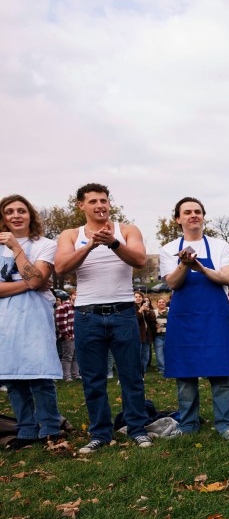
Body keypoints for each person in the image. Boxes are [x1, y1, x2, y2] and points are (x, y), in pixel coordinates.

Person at [53, 183, 153, 453]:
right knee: (93, 378)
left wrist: (113, 242)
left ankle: (137, 429)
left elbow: (140, 259)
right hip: (87, 315)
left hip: (122, 312)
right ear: (81, 205)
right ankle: (99, 433)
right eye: (94, 201)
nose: (100, 205)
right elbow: (61, 267)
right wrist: (90, 245)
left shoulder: (127, 230)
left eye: (104, 200)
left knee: (132, 375)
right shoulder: (70, 234)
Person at [160, 197, 229, 442]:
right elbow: (172, 282)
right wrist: (185, 264)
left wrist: (201, 268)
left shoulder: (220, 246)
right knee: (185, 374)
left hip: (214, 317)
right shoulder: (168, 248)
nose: (193, 215)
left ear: (203, 216)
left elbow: (228, 278)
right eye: (187, 212)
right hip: (184, 318)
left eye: (197, 211)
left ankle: (226, 424)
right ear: (178, 219)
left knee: (221, 373)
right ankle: (188, 424)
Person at [0, 195, 64, 449]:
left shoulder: (45, 244)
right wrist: (29, 284)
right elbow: (34, 281)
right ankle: (25, 429)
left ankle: (50, 427)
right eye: (9, 211)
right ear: (3, 217)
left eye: (21, 211)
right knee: (13, 377)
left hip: (35, 316)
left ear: (30, 215)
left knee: (40, 375)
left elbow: (39, 280)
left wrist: (17, 248)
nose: (16, 215)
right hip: (5, 320)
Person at [55, 291, 79, 381]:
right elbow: (61, 322)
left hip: (77, 336)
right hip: (68, 336)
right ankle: (66, 376)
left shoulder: (78, 307)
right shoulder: (64, 306)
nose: (77, 297)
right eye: (75, 295)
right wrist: (66, 335)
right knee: (67, 357)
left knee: (76, 357)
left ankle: (75, 375)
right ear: (70, 296)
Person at [135, 291, 156, 374]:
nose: (138, 298)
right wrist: (140, 310)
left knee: (145, 355)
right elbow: (135, 320)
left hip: (146, 335)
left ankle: (142, 373)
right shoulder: (131, 308)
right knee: (137, 355)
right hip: (137, 335)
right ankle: (136, 373)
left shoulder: (145, 306)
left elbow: (152, 319)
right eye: (136, 297)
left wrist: (148, 311)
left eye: (139, 296)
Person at [153, 297, 168, 377]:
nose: (161, 303)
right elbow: (152, 322)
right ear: (157, 304)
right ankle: (162, 369)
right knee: (159, 353)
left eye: (163, 302)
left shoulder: (169, 310)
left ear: (165, 304)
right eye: (159, 302)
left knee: (168, 352)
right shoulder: (154, 312)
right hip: (158, 336)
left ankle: (169, 367)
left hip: (168, 335)